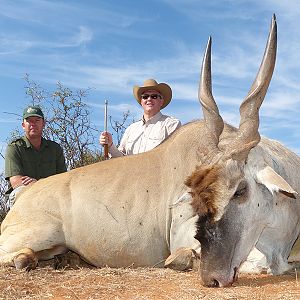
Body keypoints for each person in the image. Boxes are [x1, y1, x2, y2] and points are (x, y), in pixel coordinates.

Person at [4, 105, 67, 208]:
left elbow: (63, 180)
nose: (33, 124)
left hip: (50, 194)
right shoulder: (14, 147)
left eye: (37, 120)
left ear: (44, 124)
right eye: (29, 121)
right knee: (21, 192)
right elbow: (16, 182)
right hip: (24, 195)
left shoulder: (55, 148)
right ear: (23, 125)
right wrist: (41, 186)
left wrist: (38, 183)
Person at [99, 79, 181, 157]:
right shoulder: (131, 129)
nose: (149, 99)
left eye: (154, 96)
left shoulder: (172, 124)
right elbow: (121, 161)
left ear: (161, 101)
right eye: (145, 96)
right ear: (141, 101)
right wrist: (110, 145)